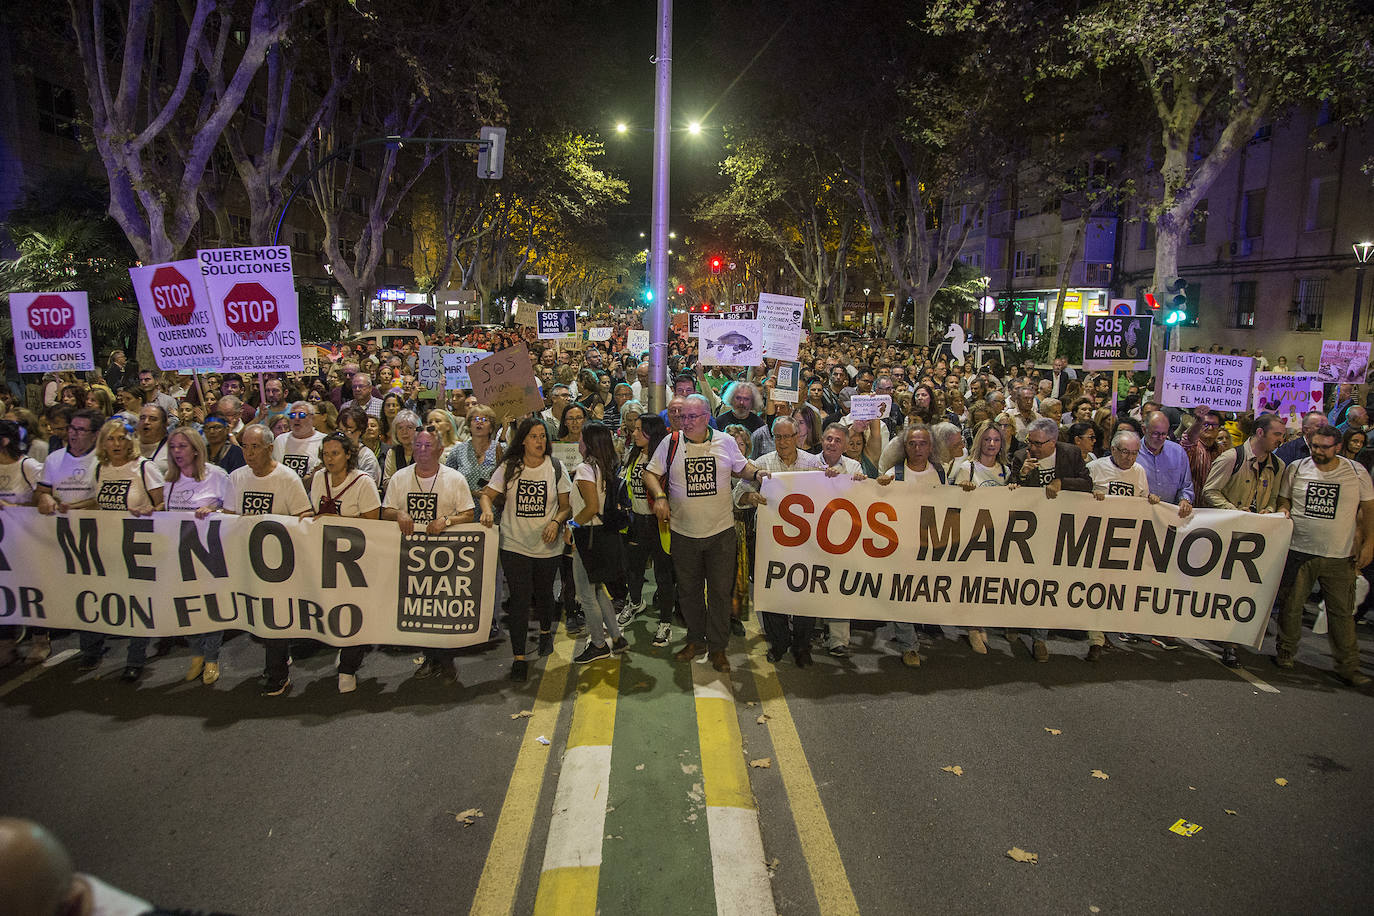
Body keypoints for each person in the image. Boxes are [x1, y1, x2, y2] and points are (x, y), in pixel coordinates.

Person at [644, 393, 767, 672]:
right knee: (689, 592)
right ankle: (695, 640)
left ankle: (718, 647)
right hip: (683, 533)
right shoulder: (671, 442)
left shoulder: (725, 441)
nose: (684, 421)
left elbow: (742, 468)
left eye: (691, 417)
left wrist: (758, 474)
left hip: (720, 533)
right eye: (682, 416)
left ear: (706, 417)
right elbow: (650, 473)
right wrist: (660, 496)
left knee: (721, 593)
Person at [1274, 424, 1374, 686]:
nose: (1318, 451)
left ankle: (1348, 667)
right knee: (1291, 606)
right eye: (1314, 446)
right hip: (1299, 550)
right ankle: (1285, 652)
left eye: (1324, 447)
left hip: (1339, 555)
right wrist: (1283, 510)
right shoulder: (1297, 468)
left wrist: (1368, 543)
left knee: (1341, 613)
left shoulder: (1356, 472)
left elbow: (1367, 510)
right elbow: (1283, 500)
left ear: (1338, 447)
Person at [224, 424, 314, 697]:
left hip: (279, 564)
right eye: (245, 447)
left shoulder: (287, 479)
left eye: (255, 447)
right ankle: (279, 656)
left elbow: (305, 515)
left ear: (270, 448)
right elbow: (228, 516)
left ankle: (278, 675)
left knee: (274, 617)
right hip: (248, 560)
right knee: (259, 617)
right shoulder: (237, 478)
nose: (249, 453)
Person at [480, 418, 572, 682]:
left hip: (547, 546)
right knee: (519, 601)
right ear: (523, 440)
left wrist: (556, 522)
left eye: (543, 436)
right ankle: (519, 657)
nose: (540, 441)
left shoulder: (556, 467)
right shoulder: (510, 467)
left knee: (544, 595)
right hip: (514, 545)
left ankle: (545, 633)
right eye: (534, 436)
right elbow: (487, 494)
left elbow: (566, 506)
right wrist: (486, 511)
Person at [74, 419, 166, 681]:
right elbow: (98, 501)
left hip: (139, 547)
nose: (116, 444)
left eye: (122, 438)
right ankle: (90, 650)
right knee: (95, 596)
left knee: (137, 603)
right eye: (111, 439)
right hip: (105, 546)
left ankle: (135, 660)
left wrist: (151, 509)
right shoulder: (100, 468)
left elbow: (163, 504)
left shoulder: (144, 468)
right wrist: (72, 509)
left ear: (132, 440)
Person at [736, 416, 824, 665]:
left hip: (807, 544)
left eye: (787, 436)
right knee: (773, 592)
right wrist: (750, 497)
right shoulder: (760, 464)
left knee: (805, 594)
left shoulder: (813, 463)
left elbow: (833, 491)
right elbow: (737, 493)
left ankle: (802, 646)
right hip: (770, 542)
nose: (783, 441)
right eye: (778, 437)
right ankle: (779, 643)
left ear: (798, 437)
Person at [1201, 413, 1287, 668]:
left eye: (1282, 435)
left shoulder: (1277, 465)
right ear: (1260, 433)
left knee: (1243, 590)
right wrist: (1234, 512)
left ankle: (1231, 643)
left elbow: (1273, 497)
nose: (1280, 440)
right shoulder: (1232, 458)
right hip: (1228, 535)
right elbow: (1209, 491)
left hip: (1255, 539)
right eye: (1276, 435)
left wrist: (1270, 511)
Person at [1006, 417, 1092, 661]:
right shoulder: (1022, 457)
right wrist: (1021, 477)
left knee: (1043, 584)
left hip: (1058, 529)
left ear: (1053, 442)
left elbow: (1087, 483)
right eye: (1029, 442)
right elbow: (1007, 491)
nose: (1031, 447)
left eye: (1037, 443)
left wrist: (1061, 482)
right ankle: (1012, 621)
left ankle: (1039, 638)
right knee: (1020, 579)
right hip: (1027, 530)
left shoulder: (1071, 454)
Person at [308, 431, 382, 693]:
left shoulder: (363, 482)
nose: (329, 459)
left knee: (353, 611)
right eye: (326, 454)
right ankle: (343, 646)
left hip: (355, 560)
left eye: (335, 453)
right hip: (327, 556)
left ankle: (348, 667)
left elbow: (373, 521)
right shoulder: (319, 478)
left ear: (348, 455)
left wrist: (339, 524)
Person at [29, 408, 104, 661]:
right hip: (60, 536)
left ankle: (91, 647)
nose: (73, 434)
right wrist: (46, 497)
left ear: (95, 435)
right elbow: (40, 492)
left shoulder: (102, 459)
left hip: (96, 535)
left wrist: (76, 508)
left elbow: (104, 499)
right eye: (72, 428)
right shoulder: (54, 459)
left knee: (91, 590)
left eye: (81, 430)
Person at [161, 427, 231, 684]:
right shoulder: (170, 479)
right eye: (173, 447)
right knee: (186, 606)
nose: (177, 452)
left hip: (209, 552)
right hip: (178, 553)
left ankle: (212, 657)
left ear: (195, 449)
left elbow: (232, 506)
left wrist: (213, 507)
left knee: (210, 605)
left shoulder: (216, 475)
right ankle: (196, 654)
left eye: (182, 446)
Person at [568, 421, 630, 663]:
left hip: (588, 536)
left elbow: (592, 507)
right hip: (603, 535)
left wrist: (572, 525)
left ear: (589, 442)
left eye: (582, 439)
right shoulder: (605, 466)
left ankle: (598, 644)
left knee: (585, 593)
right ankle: (616, 637)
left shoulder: (585, 469)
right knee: (597, 588)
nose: (579, 443)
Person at [947, 420, 1011, 655]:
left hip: (995, 534)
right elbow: (950, 499)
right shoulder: (967, 468)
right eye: (987, 439)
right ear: (979, 441)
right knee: (970, 581)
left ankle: (980, 622)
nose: (992, 444)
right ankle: (972, 627)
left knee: (986, 582)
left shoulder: (1005, 470)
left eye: (996, 440)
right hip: (970, 533)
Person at [621, 414, 674, 644]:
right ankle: (634, 603)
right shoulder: (633, 454)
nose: (633, 433)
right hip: (636, 521)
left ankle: (665, 622)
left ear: (652, 433)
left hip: (659, 525)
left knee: (663, 575)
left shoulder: (662, 459)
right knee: (633, 569)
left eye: (639, 429)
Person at [272, 400, 325, 480]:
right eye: (292, 415)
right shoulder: (280, 440)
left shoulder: (324, 440)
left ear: (312, 418)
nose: (296, 418)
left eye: (302, 415)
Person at [0, 418, 42, 508]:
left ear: (4, 441)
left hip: (24, 520)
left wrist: (11, 506)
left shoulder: (29, 466)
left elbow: (42, 502)